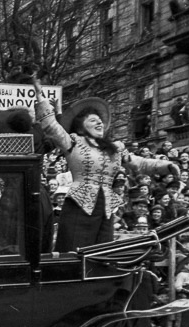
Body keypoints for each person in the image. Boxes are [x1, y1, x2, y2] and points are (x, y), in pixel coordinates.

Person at [32, 76, 180, 251]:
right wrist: (40, 95)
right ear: (80, 127)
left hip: (106, 208)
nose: (99, 123)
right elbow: (51, 126)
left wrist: (166, 166)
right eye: (93, 120)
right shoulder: (73, 142)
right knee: (74, 250)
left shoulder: (115, 147)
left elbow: (139, 163)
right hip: (79, 205)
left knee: (101, 252)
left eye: (100, 120)